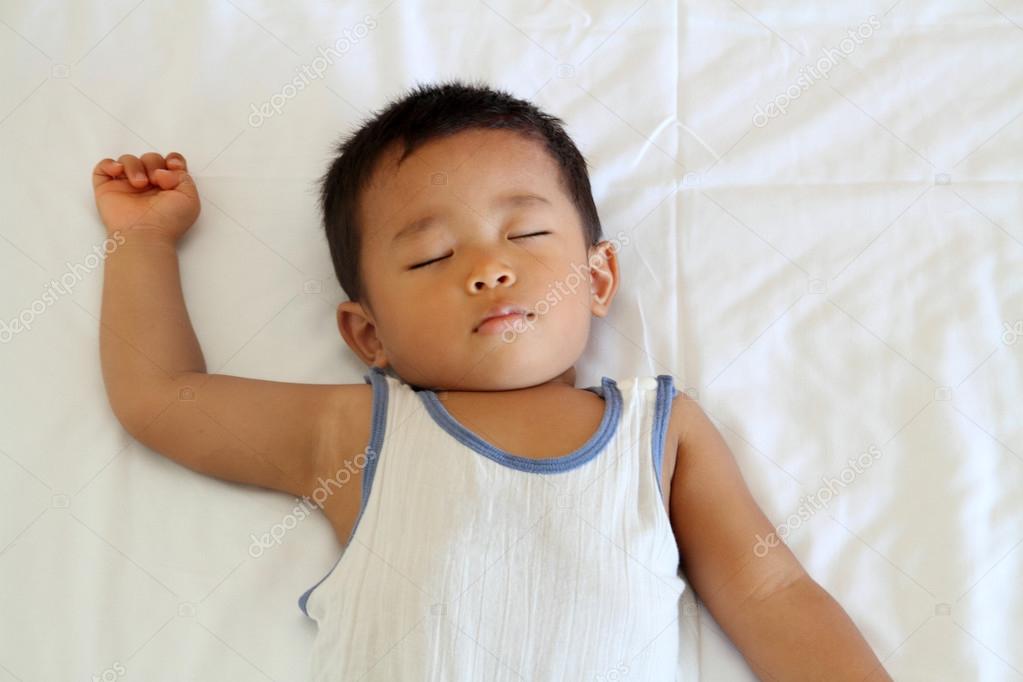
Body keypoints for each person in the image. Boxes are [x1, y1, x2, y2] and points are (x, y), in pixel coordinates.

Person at [93, 78, 890, 681]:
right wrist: (144, 243)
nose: (487, 270)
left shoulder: (662, 430)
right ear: (367, 333)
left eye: (528, 232)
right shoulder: (359, 435)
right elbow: (160, 396)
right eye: (432, 256)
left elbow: (768, 589)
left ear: (597, 277)